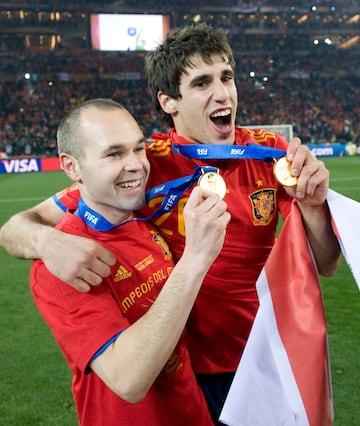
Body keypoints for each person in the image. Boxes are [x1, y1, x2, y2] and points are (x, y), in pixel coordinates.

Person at [0, 23, 341, 423]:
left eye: (226, 77)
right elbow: (19, 225)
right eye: (201, 83)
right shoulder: (145, 165)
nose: (223, 93)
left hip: (261, 352)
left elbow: (326, 263)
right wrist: (46, 243)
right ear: (169, 101)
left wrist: (315, 207)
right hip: (181, 364)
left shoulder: (269, 153)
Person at [28, 98, 230, 425]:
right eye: (114, 154)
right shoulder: (62, 264)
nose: (136, 164)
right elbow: (129, 379)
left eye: (138, 149)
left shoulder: (141, 217)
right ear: (71, 167)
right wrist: (195, 258)